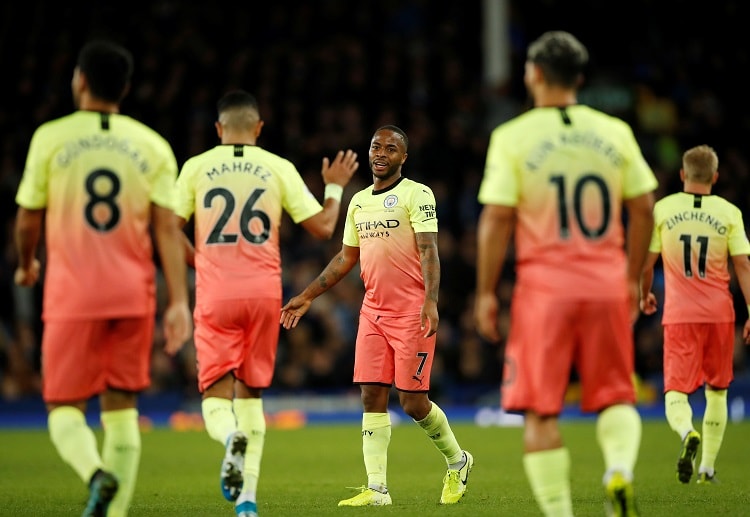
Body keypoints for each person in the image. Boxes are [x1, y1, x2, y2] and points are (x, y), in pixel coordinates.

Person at [474, 31, 657, 517]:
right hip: (605, 281)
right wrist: (634, 275)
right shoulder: (614, 132)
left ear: (533, 74)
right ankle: (618, 468)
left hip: (544, 289)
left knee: (540, 408)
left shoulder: (512, 137)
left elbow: (496, 218)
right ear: (579, 79)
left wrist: (485, 293)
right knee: (617, 393)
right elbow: (644, 207)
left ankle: (560, 513)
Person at [13, 40, 192, 517]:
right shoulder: (152, 145)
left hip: (73, 294)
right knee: (122, 410)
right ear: (126, 88)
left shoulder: (50, 138)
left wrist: (27, 262)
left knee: (63, 408)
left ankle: (96, 474)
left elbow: (28, 218)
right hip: (134, 294)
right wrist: (178, 301)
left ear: (80, 80)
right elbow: (167, 231)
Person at [173, 89, 359, 517]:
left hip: (217, 291)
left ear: (218, 129)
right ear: (258, 128)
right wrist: (334, 185)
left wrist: (196, 259)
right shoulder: (278, 167)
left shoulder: (196, 168)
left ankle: (229, 438)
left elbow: (167, 227)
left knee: (216, 397)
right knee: (252, 396)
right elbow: (324, 226)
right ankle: (247, 503)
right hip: (263, 294)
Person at [280, 125, 473, 507]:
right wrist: (307, 295)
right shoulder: (357, 202)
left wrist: (431, 301)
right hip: (373, 313)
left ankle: (458, 459)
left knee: (414, 403)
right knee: (371, 395)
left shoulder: (417, 194)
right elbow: (344, 259)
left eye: (391, 148)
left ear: (404, 158)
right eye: (375, 146)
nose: (381, 152)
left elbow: (429, 250)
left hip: (412, 313)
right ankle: (377, 489)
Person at [640, 144, 750, 485]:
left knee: (676, 390)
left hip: (680, 314)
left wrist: (644, 295)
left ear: (683, 175)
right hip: (719, 314)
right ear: (715, 177)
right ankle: (707, 468)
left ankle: (688, 431)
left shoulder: (663, 209)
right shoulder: (729, 213)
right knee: (717, 390)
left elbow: (647, 263)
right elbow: (743, 264)